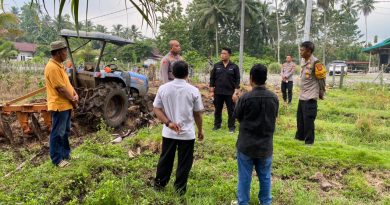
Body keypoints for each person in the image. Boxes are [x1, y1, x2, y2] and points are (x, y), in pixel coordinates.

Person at [153, 61, 204, 195]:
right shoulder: (193, 91)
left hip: (169, 132)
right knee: (184, 162)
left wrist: (168, 123)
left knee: (165, 159)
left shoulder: (163, 88)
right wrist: (200, 130)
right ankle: (180, 190)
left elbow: (156, 108)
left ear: (172, 73)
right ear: (187, 73)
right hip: (187, 134)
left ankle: (159, 185)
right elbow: (198, 113)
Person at [234, 64, 279, 205]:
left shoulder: (245, 98)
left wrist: (236, 103)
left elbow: (238, 117)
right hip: (265, 145)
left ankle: (243, 202)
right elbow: (274, 117)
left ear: (251, 78)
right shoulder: (274, 98)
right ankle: (266, 202)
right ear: (266, 78)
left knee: (244, 177)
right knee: (265, 177)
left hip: (246, 145)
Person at [44, 41, 79, 167]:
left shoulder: (59, 66)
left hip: (66, 104)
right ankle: (57, 160)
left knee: (65, 132)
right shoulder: (52, 67)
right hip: (59, 106)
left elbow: (67, 85)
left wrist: (74, 93)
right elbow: (61, 89)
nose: (66, 54)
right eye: (64, 51)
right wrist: (73, 99)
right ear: (58, 53)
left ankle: (65, 154)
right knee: (57, 133)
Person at [295, 41, 325, 145]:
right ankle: (300, 139)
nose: (300, 52)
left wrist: (321, 92)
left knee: (308, 120)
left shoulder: (316, 63)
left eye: (302, 50)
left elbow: (322, 79)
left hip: (311, 96)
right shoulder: (303, 60)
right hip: (302, 95)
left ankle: (309, 143)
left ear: (309, 51)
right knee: (300, 119)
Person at [209, 47, 240, 133]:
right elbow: (212, 78)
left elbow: (237, 80)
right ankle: (217, 125)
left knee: (231, 110)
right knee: (218, 109)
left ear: (229, 55)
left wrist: (235, 92)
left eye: (224, 53)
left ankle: (231, 127)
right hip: (218, 92)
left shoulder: (234, 67)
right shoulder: (216, 66)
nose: (222, 55)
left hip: (230, 93)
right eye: (221, 53)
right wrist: (211, 90)